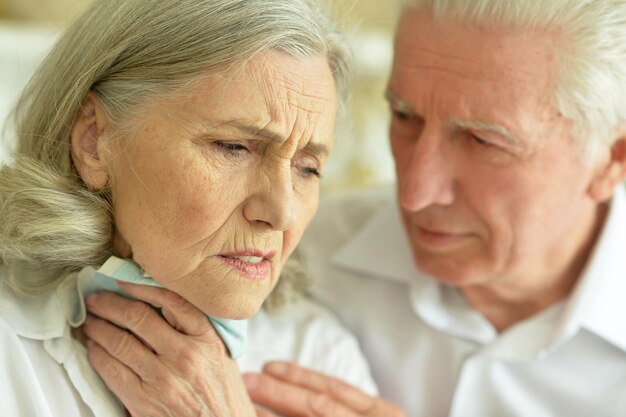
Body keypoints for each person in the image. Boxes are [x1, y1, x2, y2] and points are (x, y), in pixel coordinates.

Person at [244, 0, 626, 416]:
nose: (414, 193)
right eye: (405, 116)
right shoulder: (291, 256)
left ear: (611, 160)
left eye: (483, 141)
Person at [0, 0, 378, 415]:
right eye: (234, 148)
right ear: (94, 142)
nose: (282, 212)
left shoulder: (321, 359)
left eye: (308, 168)